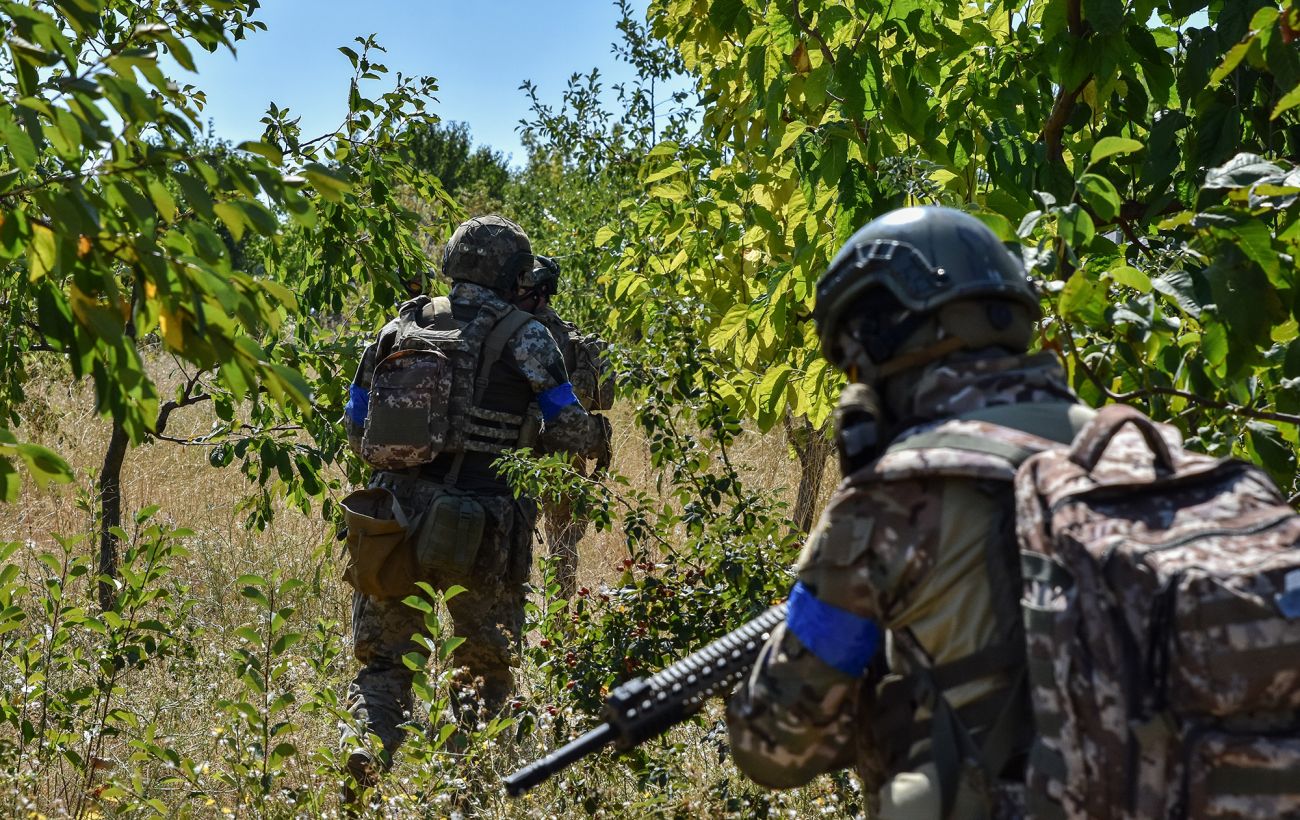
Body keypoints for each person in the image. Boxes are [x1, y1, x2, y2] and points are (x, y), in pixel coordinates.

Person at [725, 206, 1092, 819]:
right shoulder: (1145, 451)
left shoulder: (894, 500)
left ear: (883, 340)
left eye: (850, 363)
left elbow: (775, 745)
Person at [339, 215, 610, 790]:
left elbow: (356, 422)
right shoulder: (527, 334)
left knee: (384, 665)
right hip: (484, 523)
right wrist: (598, 436)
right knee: (484, 669)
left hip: (393, 521)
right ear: (512, 273)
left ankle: (365, 756)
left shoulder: (399, 326)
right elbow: (567, 426)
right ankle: (468, 788)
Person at [511, 255, 614, 599]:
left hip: (526, 458)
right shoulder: (568, 336)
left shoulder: (522, 333)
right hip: (563, 460)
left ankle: (533, 625)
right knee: (563, 545)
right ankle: (557, 629)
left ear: (539, 291)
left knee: (520, 541)